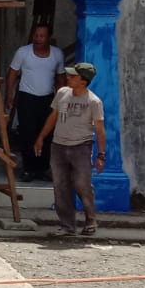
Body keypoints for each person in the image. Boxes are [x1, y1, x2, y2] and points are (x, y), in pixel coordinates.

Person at [33, 62, 108, 237]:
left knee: (82, 184)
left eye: (73, 76)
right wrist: (41, 137)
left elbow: (100, 129)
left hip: (81, 147)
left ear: (83, 81)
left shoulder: (93, 102)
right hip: (58, 145)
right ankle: (67, 225)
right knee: (60, 186)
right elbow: (53, 117)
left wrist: (101, 155)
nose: (68, 78)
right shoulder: (62, 94)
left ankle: (90, 220)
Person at [4, 22, 65, 181]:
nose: (38, 39)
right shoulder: (23, 52)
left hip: (48, 99)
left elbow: (60, 79)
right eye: (36, 35)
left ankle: (43, 168)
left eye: (42, 36)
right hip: (27, 97)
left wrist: (62, 100)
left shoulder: (57, 54)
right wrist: (9, 96)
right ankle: (28, 168)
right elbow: (12, 74)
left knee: (47, 133)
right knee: (27, 133)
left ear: (48, 37)